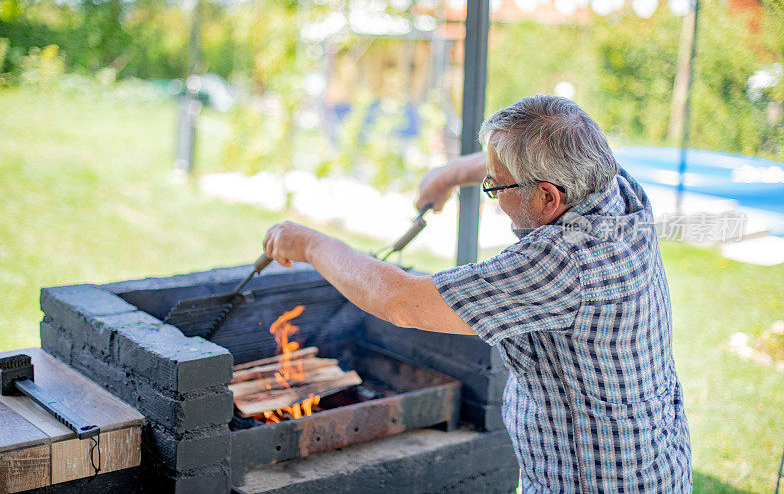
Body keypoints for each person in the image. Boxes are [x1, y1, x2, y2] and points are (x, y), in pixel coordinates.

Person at [263, 94, 692, 492]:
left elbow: (401, 301)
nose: (490, 193)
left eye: (496, 186)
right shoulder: (613, 187)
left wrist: (312, 245)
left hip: (596, 479)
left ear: (547, 197)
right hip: (656, 456)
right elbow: (535, 148)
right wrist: (449, 175)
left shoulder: (566, 263)